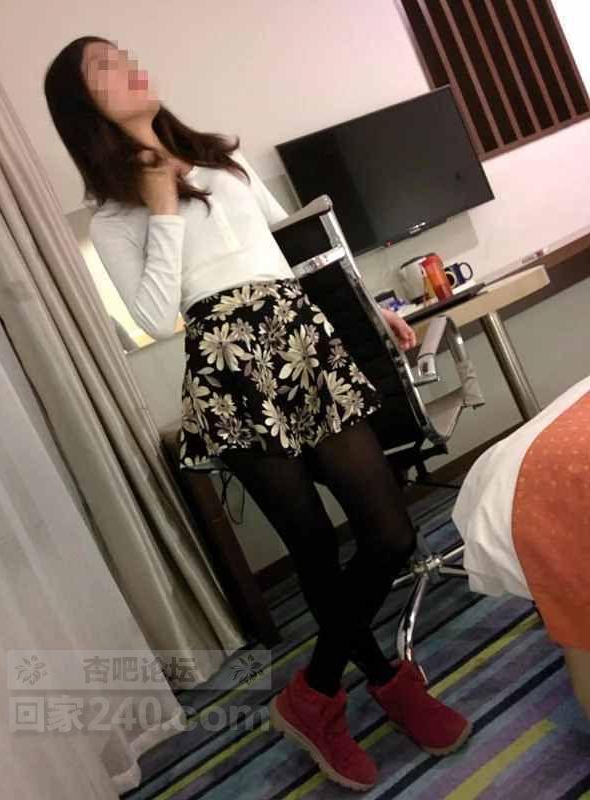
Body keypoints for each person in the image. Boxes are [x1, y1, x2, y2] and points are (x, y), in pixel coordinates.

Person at [44, 37, 472, 791]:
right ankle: (385, 682)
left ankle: (313, 694)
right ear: (84, 107)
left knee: (388, 531)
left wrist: (371, 308)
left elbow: (299, 256)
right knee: (313, 548)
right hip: (228, 367)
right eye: (104, 67)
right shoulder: (112, 215)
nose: (129, 66)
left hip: (301, 341)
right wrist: (161, 205)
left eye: (124, 54)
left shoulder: (222, 159)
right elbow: (155, 316)